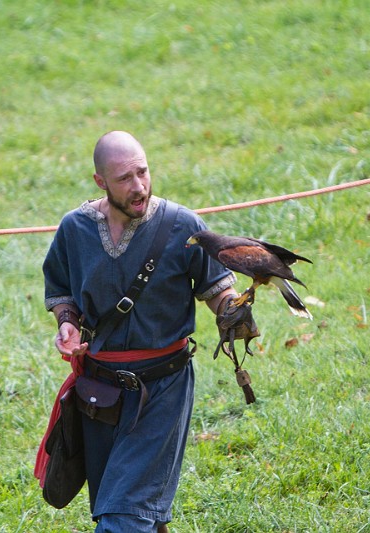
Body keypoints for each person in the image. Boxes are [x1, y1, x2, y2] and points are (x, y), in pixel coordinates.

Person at [40, 131, 240, 532]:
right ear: (100, 182)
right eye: (124, 179)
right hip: (100, 393)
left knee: (124, 517)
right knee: (130, 510)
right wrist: (67, 323)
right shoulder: (75, 229)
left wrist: (233, 312)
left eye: (143, 172)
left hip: (162, 391)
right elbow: (62, 291)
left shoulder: (181, 225)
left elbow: (218, 290)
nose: (139, 187)